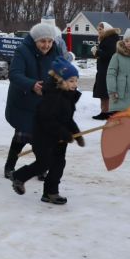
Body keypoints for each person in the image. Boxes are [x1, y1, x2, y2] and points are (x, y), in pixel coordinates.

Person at [11, 56, 83, 205]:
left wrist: (76, 134)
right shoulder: (52, 97)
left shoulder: (67, 96)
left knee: (59, 164)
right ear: (60, 80)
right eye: (71, 81)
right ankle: (19, 176)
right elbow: (48, 120)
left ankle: (50, 193)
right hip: (43, 137)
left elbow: (67, 118)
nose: (75, 84)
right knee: (44, 163)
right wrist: (65, 134)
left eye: (76, 80)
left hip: (59, 139)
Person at [3, 22, 62, 180]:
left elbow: (61, 71)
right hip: (23, 99)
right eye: (43, 41)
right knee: (22, 135)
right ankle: (9, 166)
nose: (47, 45)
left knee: (42, 136)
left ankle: (40, 166)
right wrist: (31, 85)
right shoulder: (22, 51)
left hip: (44, 101)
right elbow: (14, 74)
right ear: (35, 40)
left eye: (50, 41)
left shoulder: (56, 51)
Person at [91, 22, 121, 119]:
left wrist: (97, 52)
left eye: (101, 29)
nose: (99, 31)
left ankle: (105, 112)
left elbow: (110, 54)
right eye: (98, 29)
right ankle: (105, 111)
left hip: (107, 70)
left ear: (107, 29)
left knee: (105, 92)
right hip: (104, 69)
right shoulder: (109, 39)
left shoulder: (110, 39)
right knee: (104, 91)